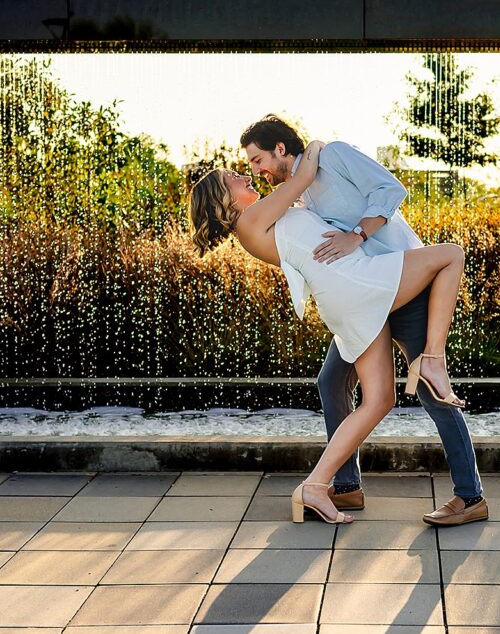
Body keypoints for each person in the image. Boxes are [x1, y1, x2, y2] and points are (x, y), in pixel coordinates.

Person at [188, 138, 468, 525]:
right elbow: (303, 175)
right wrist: (318, 143)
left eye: (250, 164)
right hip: (356, 283)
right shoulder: (251, 221)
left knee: (379, 399)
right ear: (225, 198)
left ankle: (319, 486)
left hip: (346, 294)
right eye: (235, 176)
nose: (247, 174)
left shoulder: (263, 219)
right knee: (451, 254)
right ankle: (433, 360)